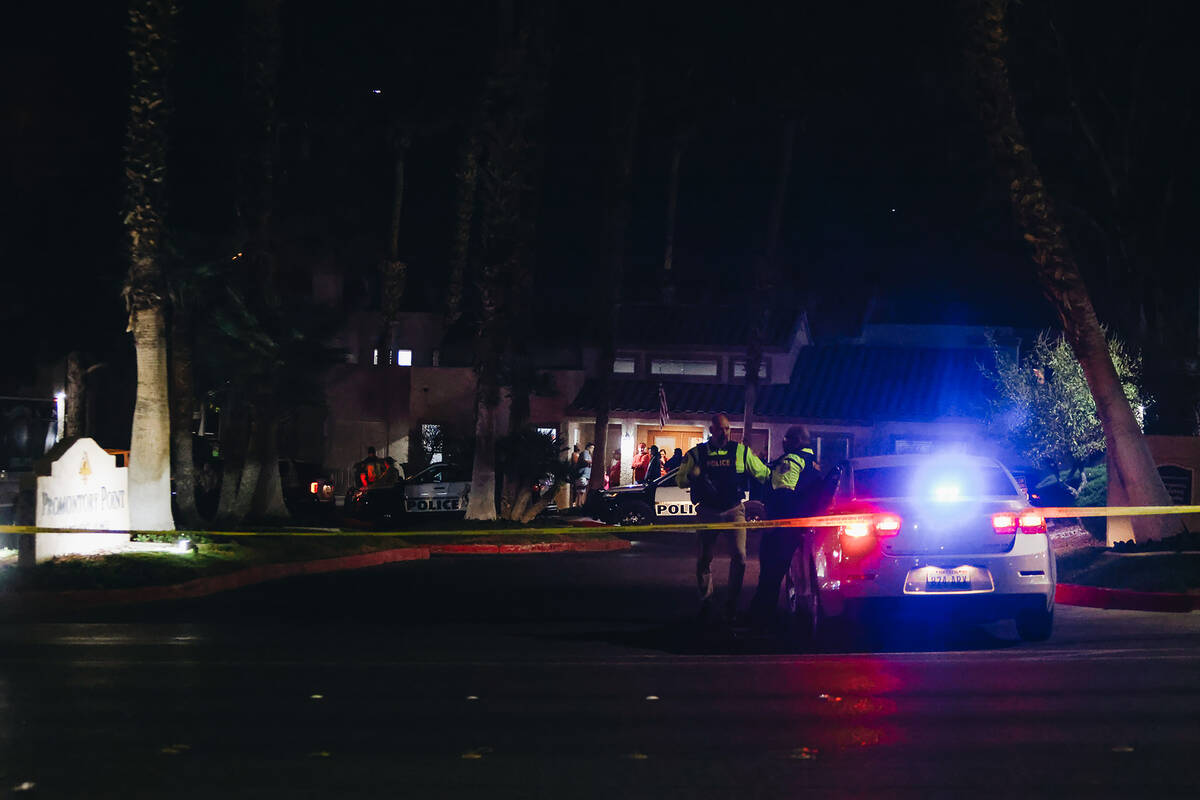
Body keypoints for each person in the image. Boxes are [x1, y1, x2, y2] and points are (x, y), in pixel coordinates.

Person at [677, 413, 770, 623]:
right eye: (720, 429)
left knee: (740, 557)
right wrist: (692, 475)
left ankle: (731, 605)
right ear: (711, 430)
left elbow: (763, 474)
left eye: (727, 428)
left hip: (734, 510)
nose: (725, 432)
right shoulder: (697, 454)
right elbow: (680, 480)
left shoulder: (740, 451)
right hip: (707, 512)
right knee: (704, 559)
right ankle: (707, 601)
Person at [748, 425, 824, 630]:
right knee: (783, 574)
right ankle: (765, 616)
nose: (783, 442)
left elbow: (783, 493)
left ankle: (760, 620)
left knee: (770, 575)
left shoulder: (792, 461)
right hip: (798, 527)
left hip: (782, 527)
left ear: (796, 441)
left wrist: (773, 523)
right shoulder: (813, 462)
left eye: (786, 439)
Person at [574, 442, 594, 507]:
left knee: (581, 491)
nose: (592, 450)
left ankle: (579, 504)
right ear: (588, 447)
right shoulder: (585, 452)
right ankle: (579, 505)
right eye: (592, 448)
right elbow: (585, 461)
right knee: (580, 491)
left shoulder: (589, 454)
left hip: (585, 475)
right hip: (582, 475)